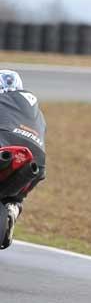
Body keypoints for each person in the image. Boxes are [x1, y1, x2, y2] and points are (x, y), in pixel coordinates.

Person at [0, 70, 46, 250]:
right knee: (15, 196)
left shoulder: (3, 99)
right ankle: (13, 207)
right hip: (36, 161)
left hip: (4, 146)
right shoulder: (37, 113)